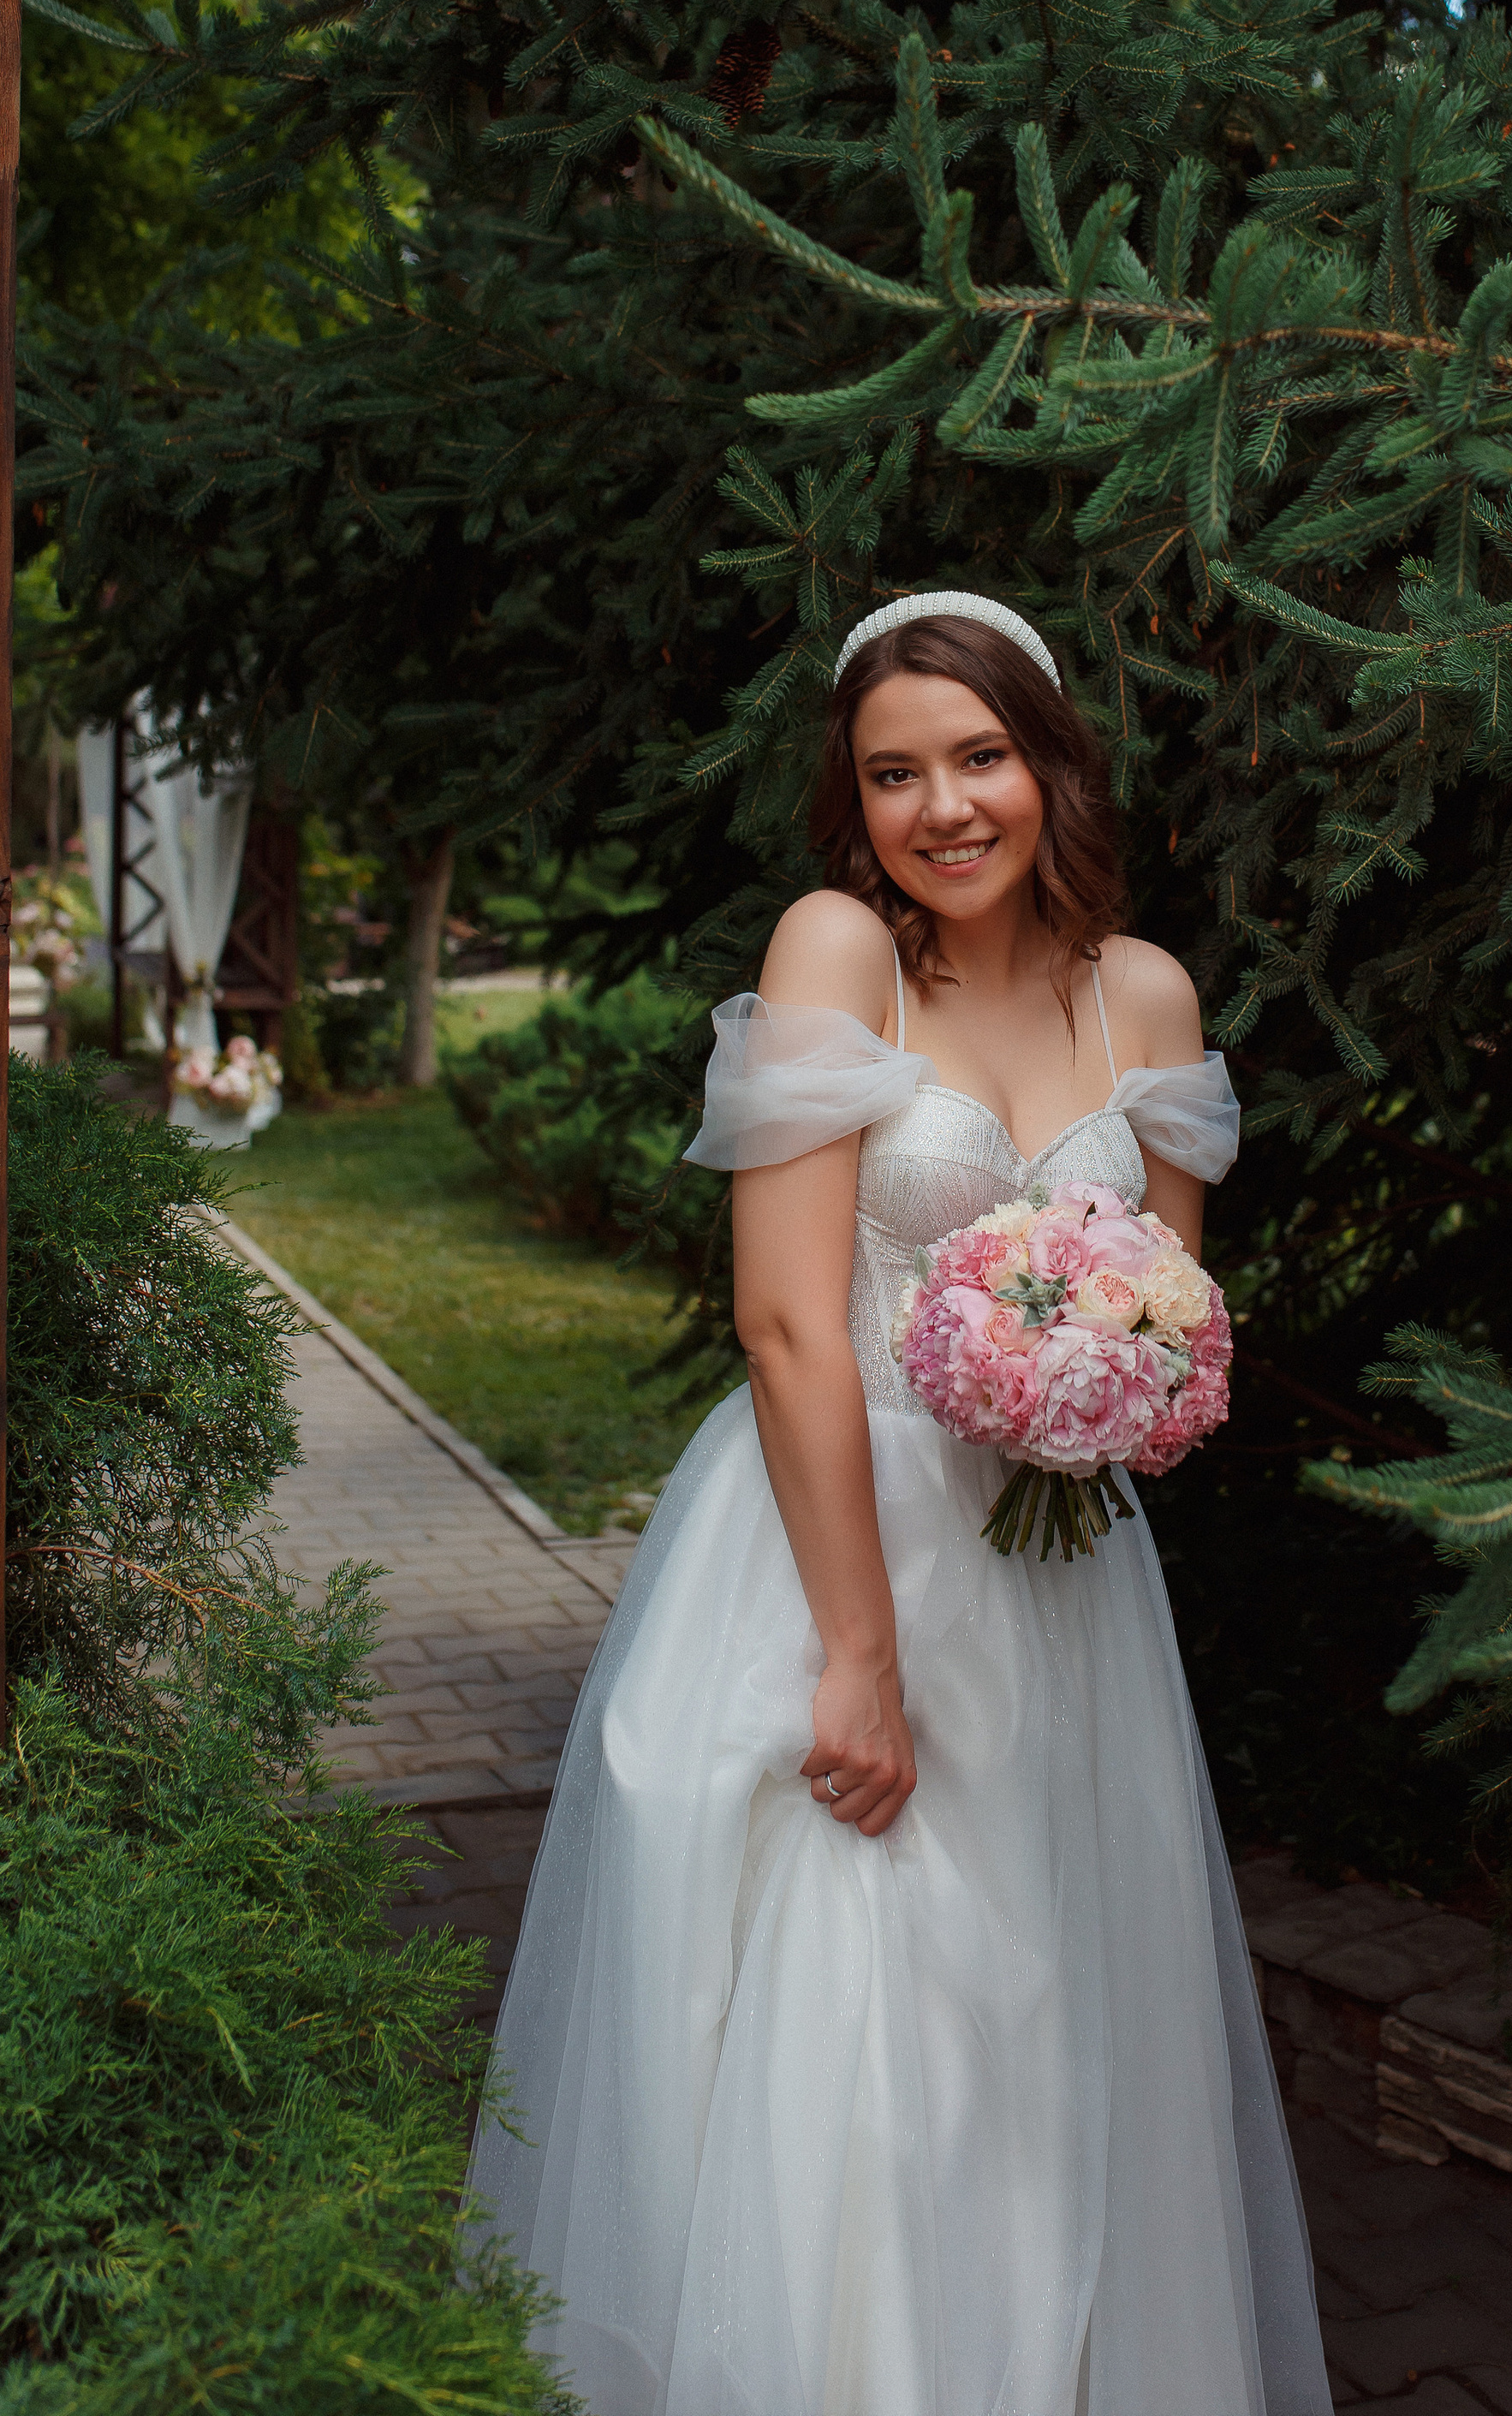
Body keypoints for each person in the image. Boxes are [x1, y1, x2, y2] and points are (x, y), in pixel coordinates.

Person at [467, 591, 1334, 2416]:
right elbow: (786, 1317)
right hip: (830, 1542)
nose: (940, 808)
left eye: (977, 758)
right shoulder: (834, 955)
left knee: (1049, 2025)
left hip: (1061, 1576)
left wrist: (1104, 1379)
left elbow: (1170, 1321)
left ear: (1048, 764)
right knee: (862, 2032)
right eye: (891, 774)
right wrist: (854, 1654)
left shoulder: (1147, 997)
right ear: (849, 801)